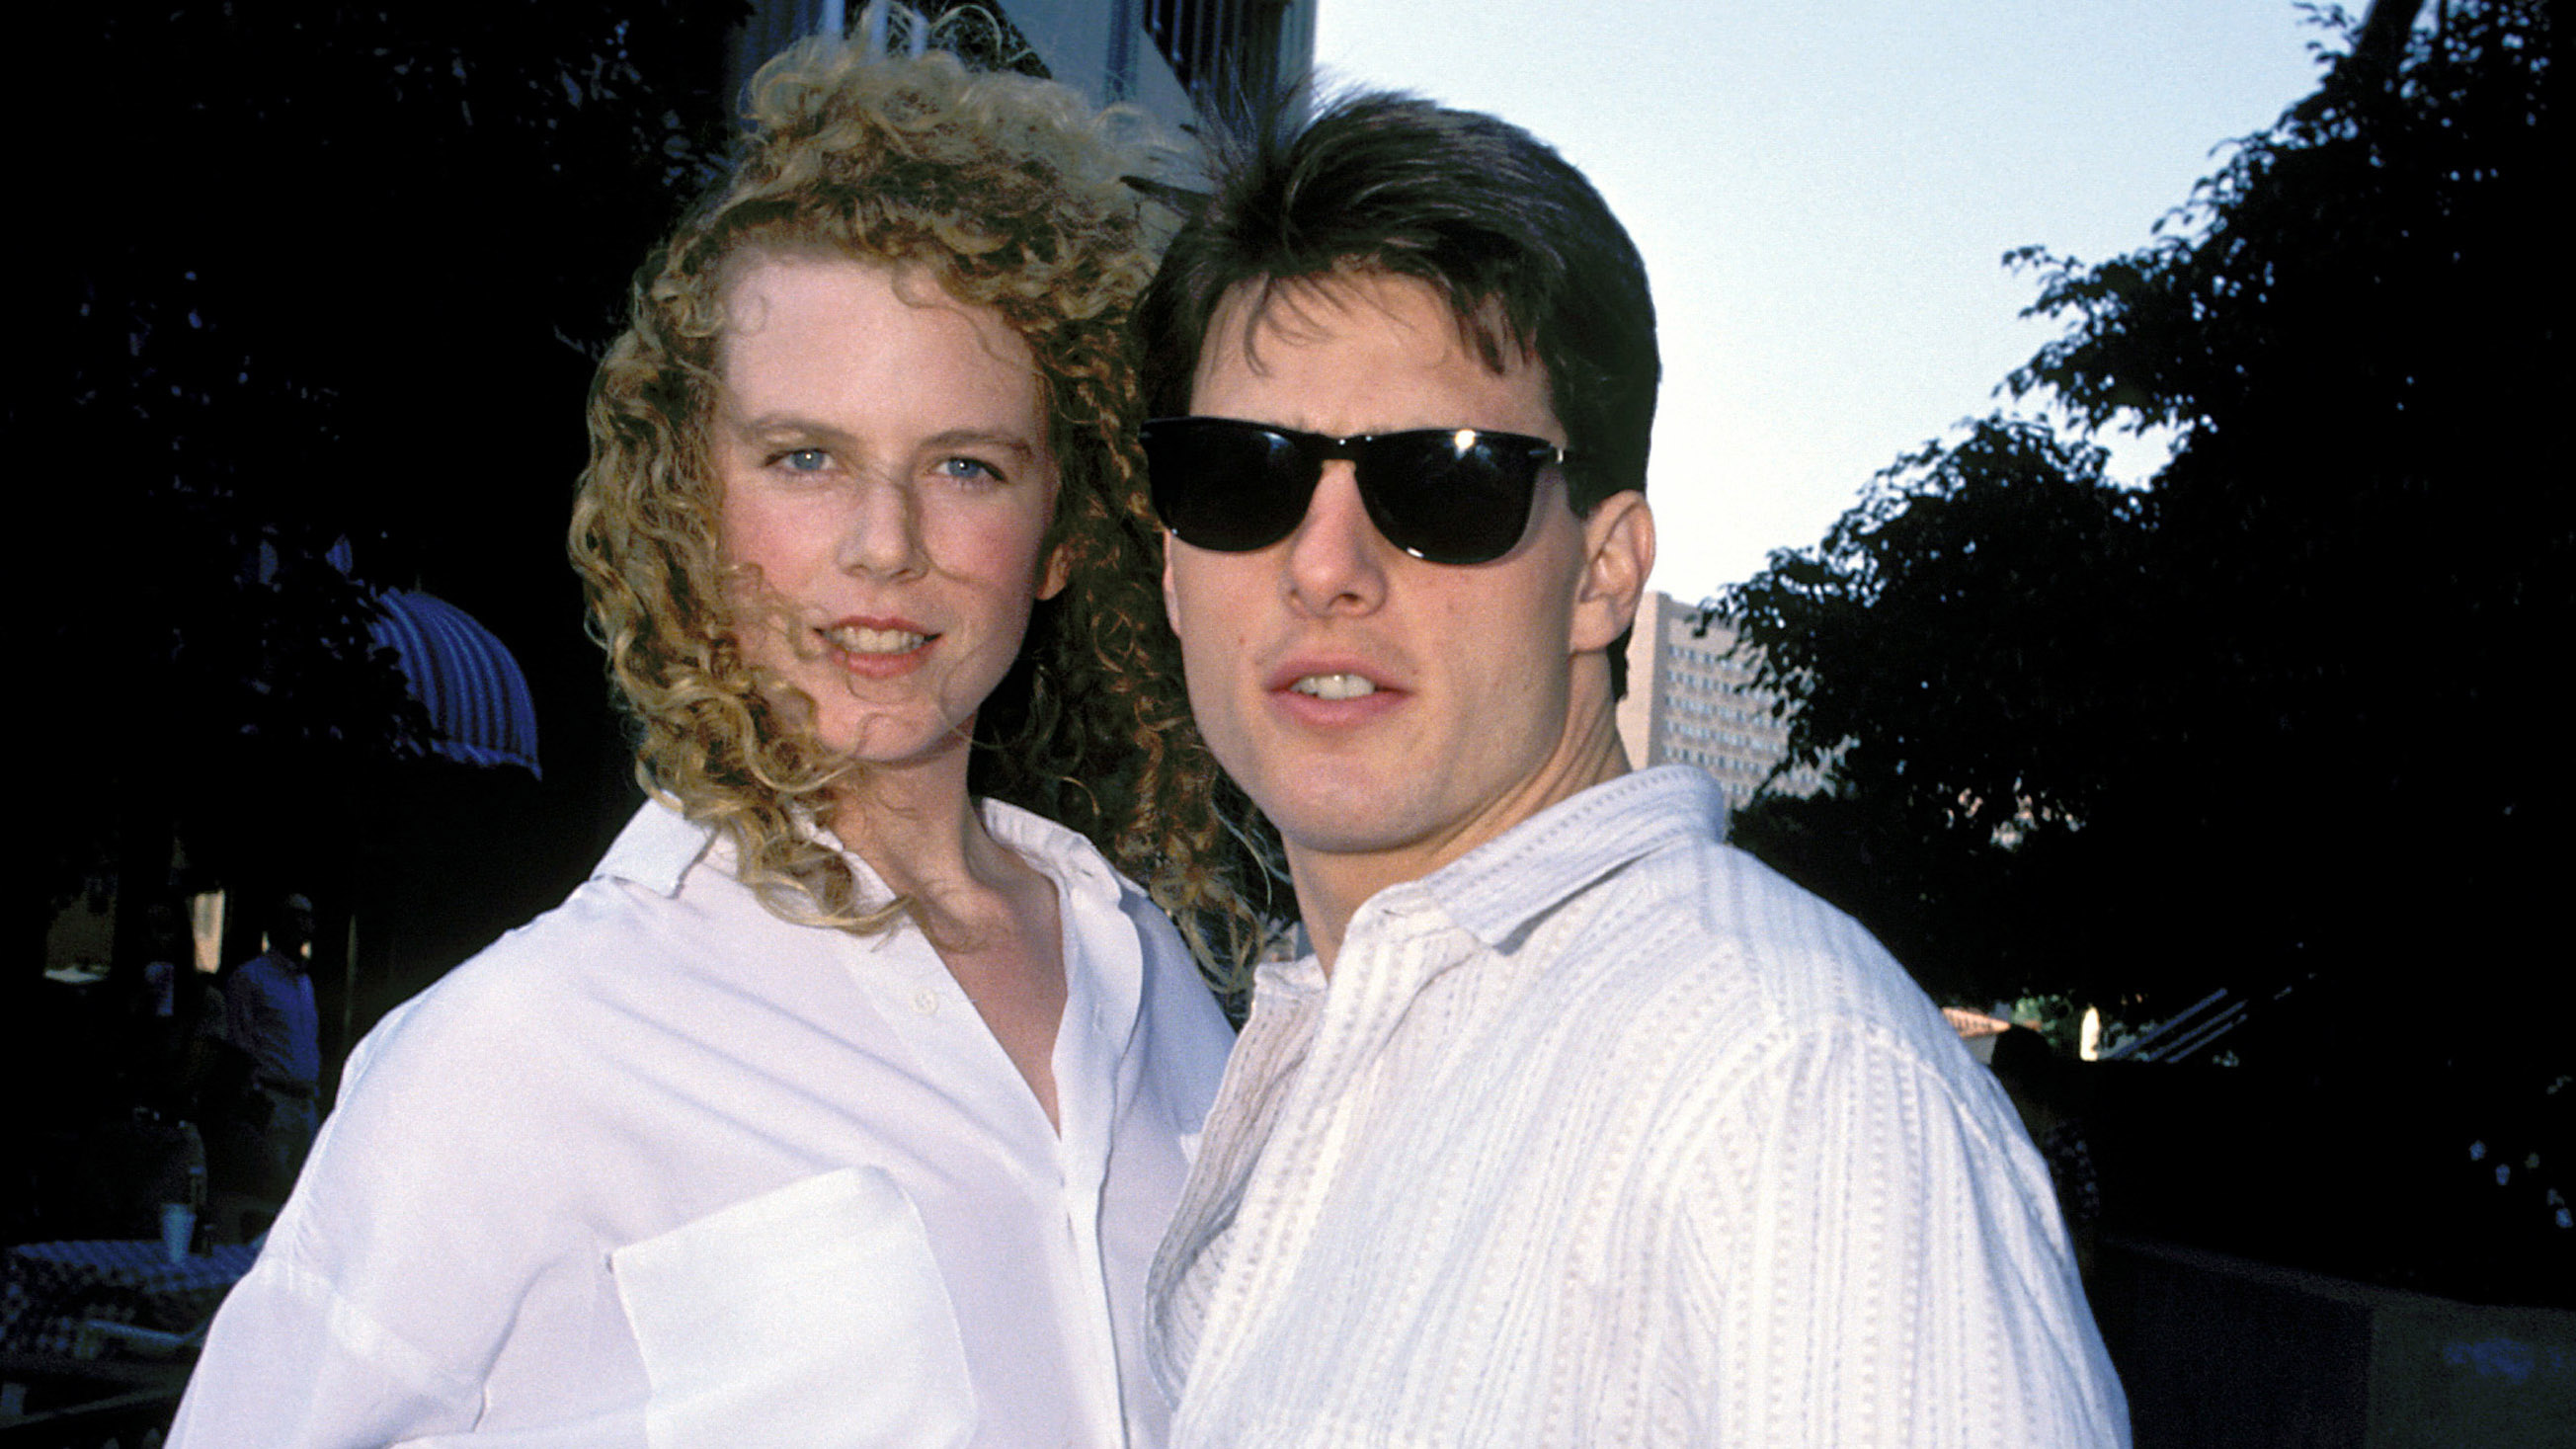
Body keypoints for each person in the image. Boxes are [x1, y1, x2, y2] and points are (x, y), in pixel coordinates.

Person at [170, 24, 1247, 1449]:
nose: (885, 546)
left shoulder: (1157, 988)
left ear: (1060, 529)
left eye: (967, 465)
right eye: (807, 458)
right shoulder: (523, 1049)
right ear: (696, 502)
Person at [1136, 93, 2132, 1445]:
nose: (1324, 566)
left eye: (1447, 482)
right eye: (1244, 476)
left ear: (1605, 571)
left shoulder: (1786, 1084)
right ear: (1170, 564)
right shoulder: (1310, 1041)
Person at [219, 891, 322, 1192]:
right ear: (275, 925)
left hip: (305, 1104)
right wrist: (254, 1097)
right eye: (293, 918)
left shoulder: (304, 981)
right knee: (268, 1191)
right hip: (272, 1102)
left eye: (307, 918)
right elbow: (239, 1042)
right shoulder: (250, 978)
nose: (302, 925)